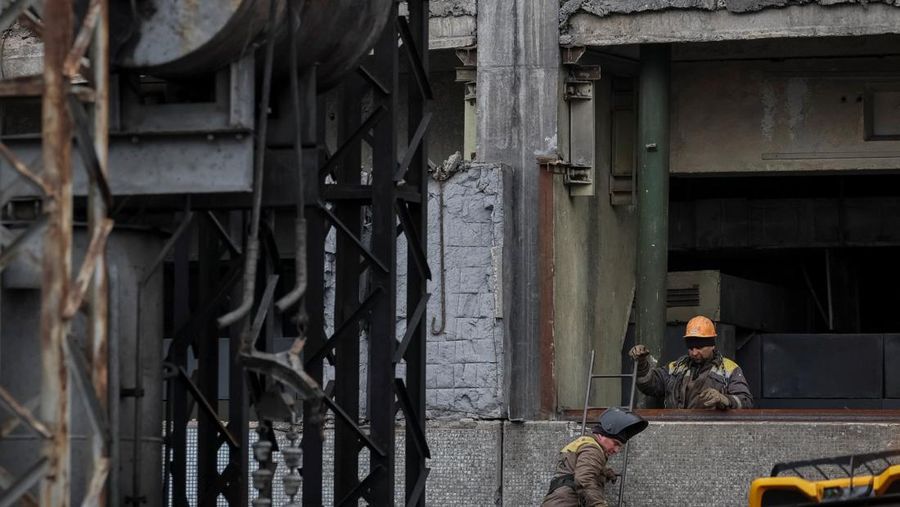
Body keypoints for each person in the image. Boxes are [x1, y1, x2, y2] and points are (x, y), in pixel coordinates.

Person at [629, 315, 753, 409]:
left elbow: (746, 402)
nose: (694, 352)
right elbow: (650, 385)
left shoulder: (730, 369)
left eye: (699, 347)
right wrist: (641, 364)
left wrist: (724, 399)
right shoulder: (676, 367)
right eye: (691, 347)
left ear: (712, 345)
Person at [542, 407, 648, 507]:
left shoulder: (585, 443)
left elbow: (577, 468)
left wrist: (603, 471)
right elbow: (584, 480)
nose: (616, 450)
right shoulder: (593, 450)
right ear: (601, 435)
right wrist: (599, 504)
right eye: (615, 443)